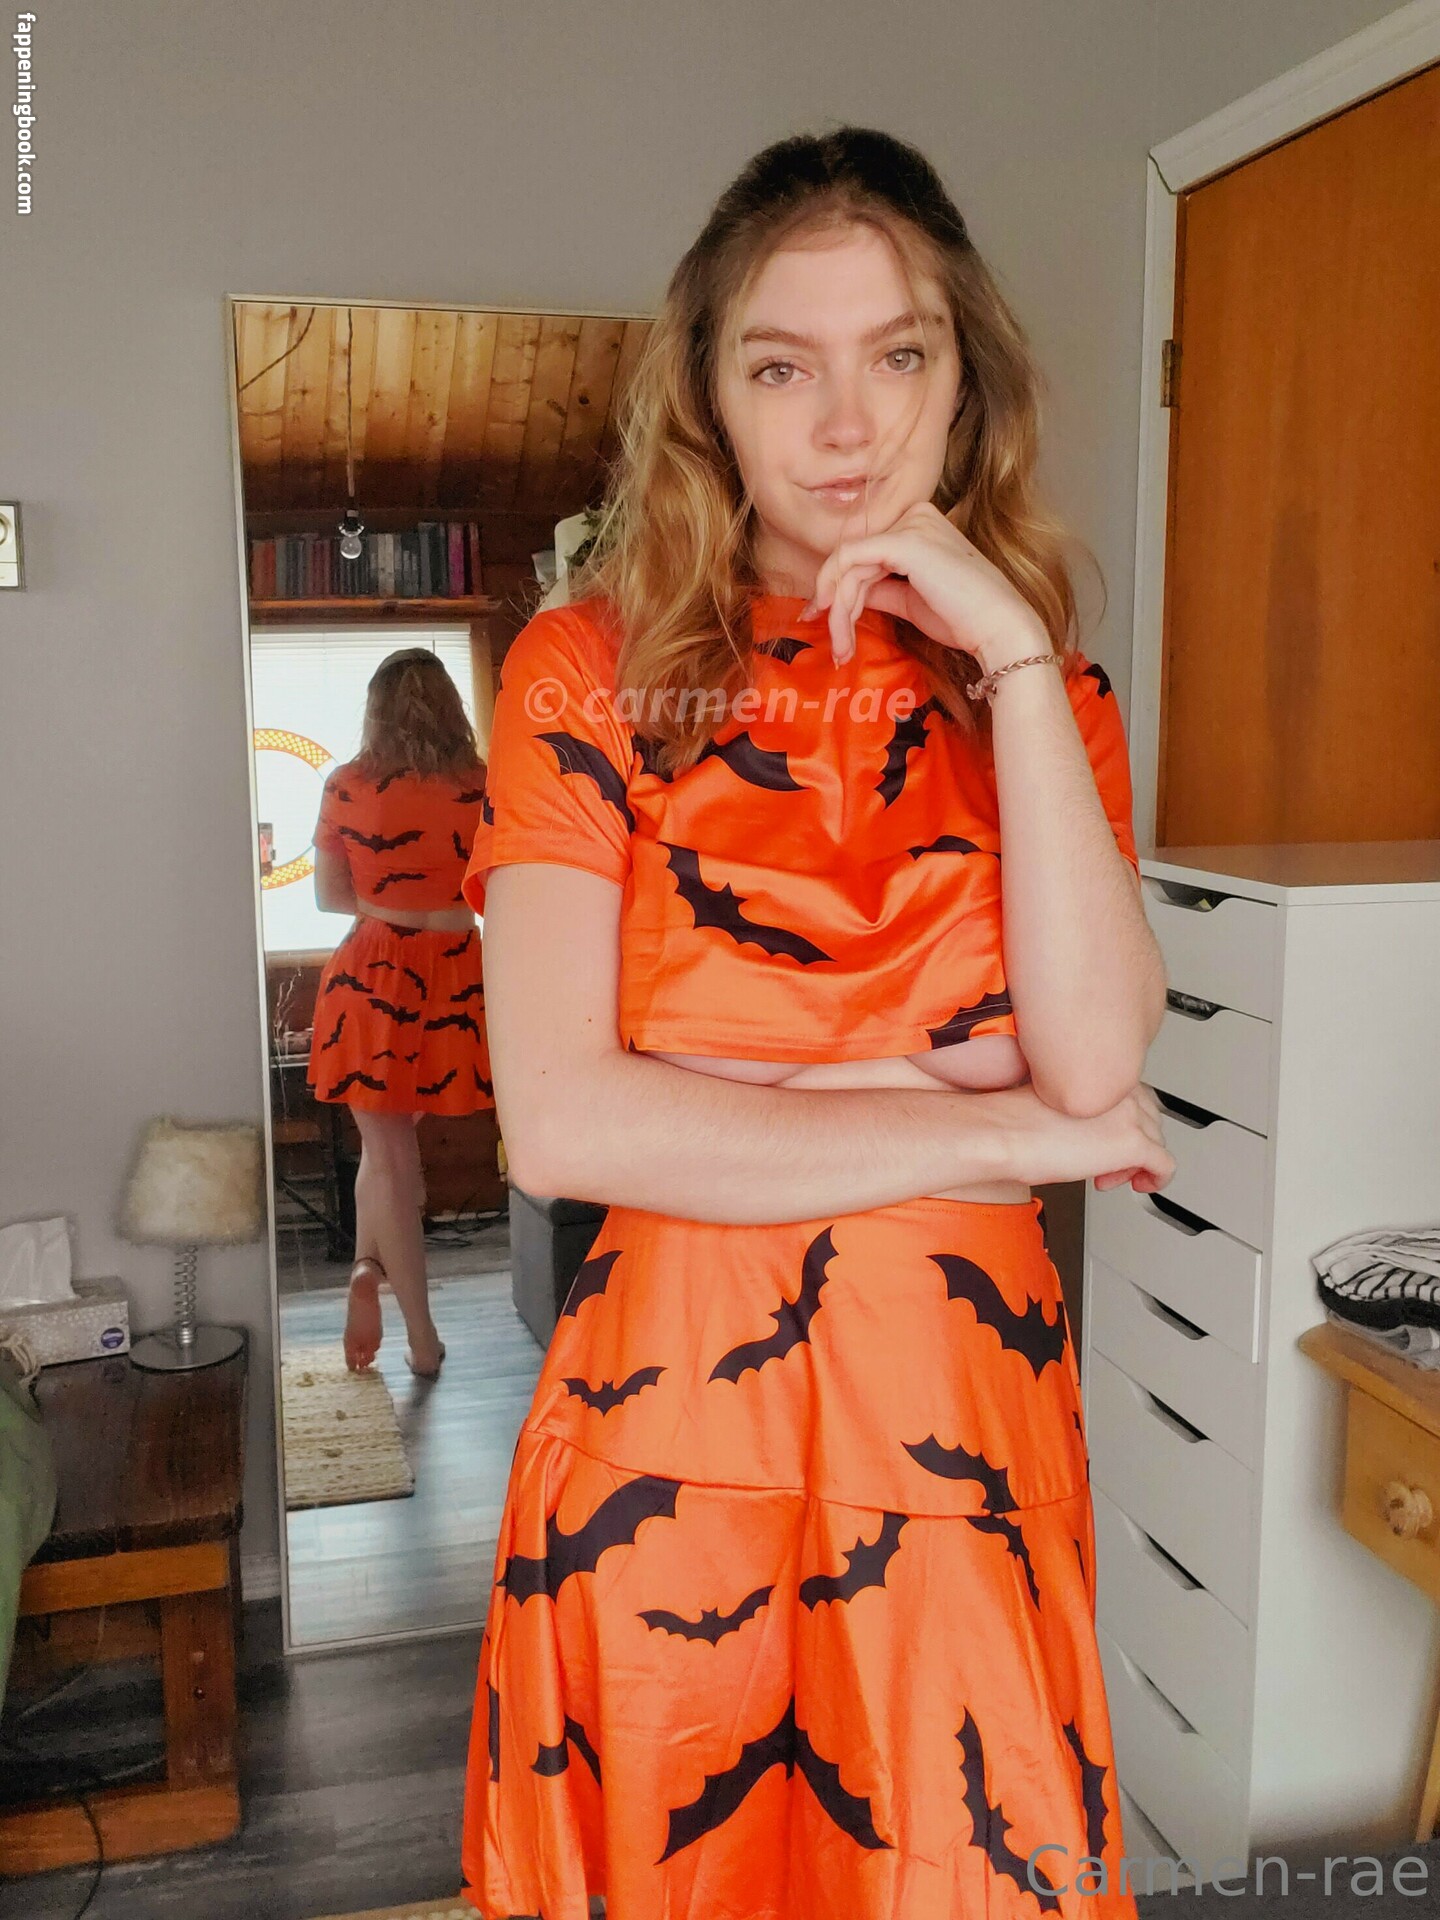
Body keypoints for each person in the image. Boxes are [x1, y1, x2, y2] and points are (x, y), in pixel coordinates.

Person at [459, 127, 1174, 1919]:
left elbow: (1098, 1059)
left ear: (963, 382)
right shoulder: (589, 671)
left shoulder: (1047, 699)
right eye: (783, 366)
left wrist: (1012, 654)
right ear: (710, 394)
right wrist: (997, 1121)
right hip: (667, 1433)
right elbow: (568, 1129)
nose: (847, 426)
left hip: (960, 1435)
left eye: (898, 357)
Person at [306, 647, 494, 1379]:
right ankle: (409, 1321)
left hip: (373, 972)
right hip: (457, 972)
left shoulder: (349, 785)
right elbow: (501, 887)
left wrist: (390, 896)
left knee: (385, 1154)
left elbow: (329, 897)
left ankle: (388, 1296)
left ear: (375, 710)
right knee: (390, 1155)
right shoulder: (484, 784)